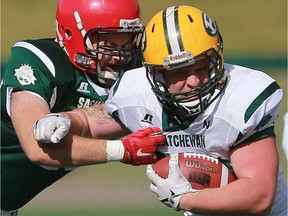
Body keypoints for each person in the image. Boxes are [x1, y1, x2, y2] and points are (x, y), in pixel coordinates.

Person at [33, 4, 287, 216]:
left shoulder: (240, 98)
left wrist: (185, 200)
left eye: (202, 66)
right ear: (155, 74)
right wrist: (65, 119)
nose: (194, 80)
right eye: (179, 72)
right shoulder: (139, 94)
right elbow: (93, 121)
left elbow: (259, 196)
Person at [0, 0, 166, 214]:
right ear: (70, 33)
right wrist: (123, 150)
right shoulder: (40, 61)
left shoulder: (136, 76)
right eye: (108, 44)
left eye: (127, 43)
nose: (120, 56)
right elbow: (36, 147)